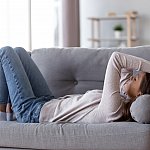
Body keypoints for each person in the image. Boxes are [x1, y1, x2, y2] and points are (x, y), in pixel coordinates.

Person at [0, 46, 150, 123]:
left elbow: (117, 59)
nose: (133, 77)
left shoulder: (114, 110)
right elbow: (125, 69)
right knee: (19, 51)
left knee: (6, 52)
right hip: (47, 101)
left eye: (136, 79)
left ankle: (3, 109)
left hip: (32, 112)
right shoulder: (123, 97)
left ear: (139, 95)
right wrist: (138, 77)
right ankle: (8, 109)